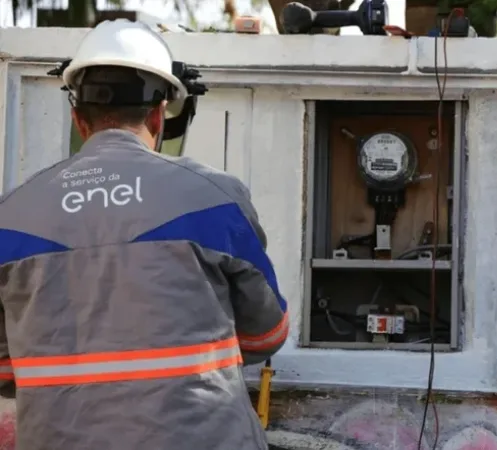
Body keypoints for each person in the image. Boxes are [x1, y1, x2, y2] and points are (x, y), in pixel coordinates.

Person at [0, 19, 287, 450]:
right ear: (158, 115)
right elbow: (267, 335)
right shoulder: (215, 197)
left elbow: (6, 371)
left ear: (78, 119)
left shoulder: (11, 215)